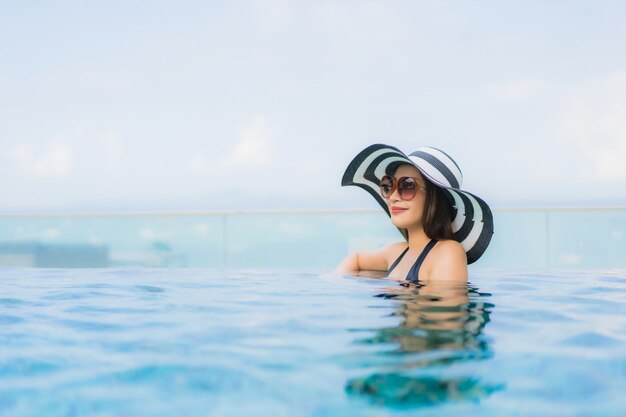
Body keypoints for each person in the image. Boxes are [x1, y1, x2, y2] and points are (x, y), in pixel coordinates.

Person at [336, 144, 494, 284]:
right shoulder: (397, 252)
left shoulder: (448, 252)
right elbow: (355, 258)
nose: (392, 197)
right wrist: (335, 282)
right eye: (388, 185)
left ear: (435, 198)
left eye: (408, 185)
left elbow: (445, 316)